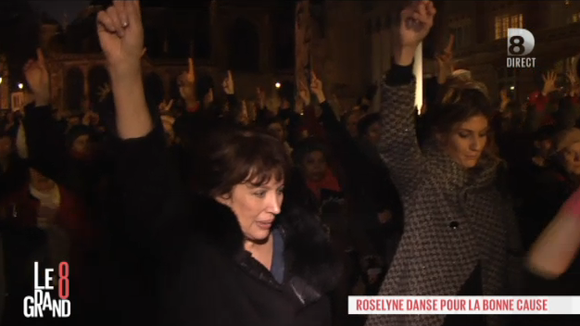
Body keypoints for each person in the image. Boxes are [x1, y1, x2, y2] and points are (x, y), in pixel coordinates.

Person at [96, 2, 340, 325]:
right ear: (222, 194)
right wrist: (125, 72)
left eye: (279, 190)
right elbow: (146, 173)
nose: (276, 206)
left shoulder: (306, 248)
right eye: (258, 192)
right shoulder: (198, 258)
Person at [365, 2, 521, 326]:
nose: (476, 145)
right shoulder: (424, 179)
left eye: (482, 134)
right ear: (440, 134)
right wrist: (406, 51)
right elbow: (395, 141)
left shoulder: (490, 181)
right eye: (465, 135)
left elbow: (504, 259)